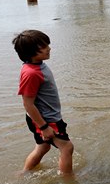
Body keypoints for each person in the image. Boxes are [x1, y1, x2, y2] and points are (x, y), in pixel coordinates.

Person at [12, 30, 74, 176]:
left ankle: (24, 173)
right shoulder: (31, 73)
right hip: (47, 119)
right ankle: (69, 182)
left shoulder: (37, 65)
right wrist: (44, 127)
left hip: (45, 118)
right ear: (31, 52)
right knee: (67, 148)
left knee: (43, 147)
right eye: (44, 46)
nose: (49, 48)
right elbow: (28, 103)